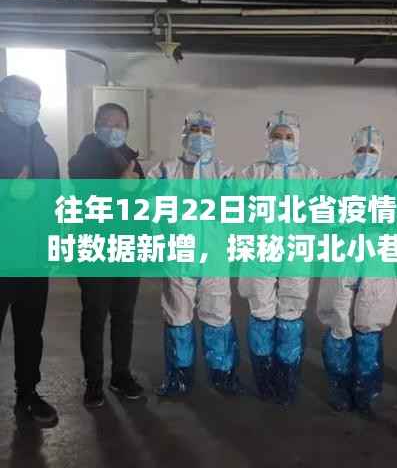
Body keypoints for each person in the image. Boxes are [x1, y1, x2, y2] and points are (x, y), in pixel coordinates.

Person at [148, 109, 242, 396]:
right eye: (195, 130)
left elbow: (235, 214)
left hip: (215, 257)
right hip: (178, 256)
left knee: (218, 316)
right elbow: (149, 209)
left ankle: (222, 374)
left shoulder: (225, 171)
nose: (200, 136)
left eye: (206, 131)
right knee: (178, 317)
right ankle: (179, 378)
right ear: (184, 133)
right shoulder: (164, 170)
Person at [238, 111, 320, 405]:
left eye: (288, 137)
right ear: (267, 139)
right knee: (261, 312)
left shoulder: (310, 176)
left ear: (297, 140)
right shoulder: (252, 173)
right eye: (276, 136)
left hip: (296, 252)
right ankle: (264, 380)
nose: (282, 142)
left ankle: (286, 380)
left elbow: (320, 215)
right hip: (260, 250)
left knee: (291, 313)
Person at [317, 125, 397, 418]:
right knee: (338, 321)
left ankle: (366, 392)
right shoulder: (335, 184)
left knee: (369, 324)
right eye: (361, 150)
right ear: (353, 152)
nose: (366, 155)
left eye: (372, 150)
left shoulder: (392, 183)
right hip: (341, 259)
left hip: (376, 261)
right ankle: (339, 387)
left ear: (381, 153)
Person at [69, 102, 144, 408]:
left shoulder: (131, 159)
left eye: (119, 124)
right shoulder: (81, 159)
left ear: (127, 128)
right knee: (95, 316)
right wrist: (119, 186)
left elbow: (141, 201)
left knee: (124, 316)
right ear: (96, 125)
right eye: (107, 122)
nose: (114, 129)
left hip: (128, 248)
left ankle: (121, 374)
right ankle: (93, 382)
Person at [0, 75, 59, 423]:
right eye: (21, 97)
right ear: (3, 100)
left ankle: (28, 393)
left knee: (30, 331)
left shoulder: (45, 150)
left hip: (34, 257)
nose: (29, 105)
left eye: (34, 99)